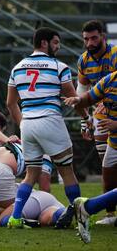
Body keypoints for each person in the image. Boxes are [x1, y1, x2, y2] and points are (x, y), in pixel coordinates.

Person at [6, 27, 85, 228]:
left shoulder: (17, 68)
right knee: (67, 171)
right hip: (50, 121)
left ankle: (15, 218)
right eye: (56, 43)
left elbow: (10, 103)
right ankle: (80, 218)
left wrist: (22, 123)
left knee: (30, 174)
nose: (58, 47)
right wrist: (87, 118)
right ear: (44, 43)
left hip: (28, 125)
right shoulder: (59, 67)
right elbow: (72, 99)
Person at [63, 71, 117, 233]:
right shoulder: (110, 80)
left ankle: (87, 207)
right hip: (114, 143)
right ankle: (96, 210)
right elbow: (90, 96)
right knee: (109, 180)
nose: (89, 43)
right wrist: (78, 100)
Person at [76, 20, 117, 225]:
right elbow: (82, 91)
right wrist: (86, 121)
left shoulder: (115, 54)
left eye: (94, 38)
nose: (90, 43)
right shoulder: (83, 60)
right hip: (102, 116)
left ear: (103, 36)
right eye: (86, 39)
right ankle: (111, 214)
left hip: (113, 112)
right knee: (107, 166)